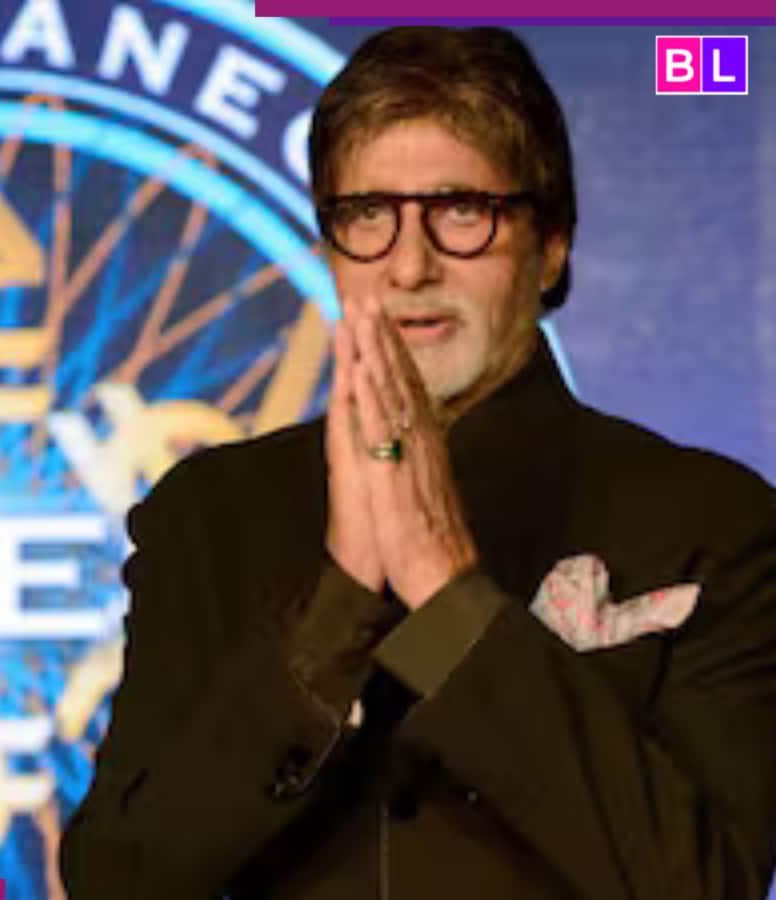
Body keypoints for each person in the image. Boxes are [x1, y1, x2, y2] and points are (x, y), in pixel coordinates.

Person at [58, 26, 776, 900]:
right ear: (329, 249)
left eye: (462, 211)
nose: (409, 265)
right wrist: (338, 610)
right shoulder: (207, 516)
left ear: (551, 245)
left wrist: (450, 599)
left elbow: (707, 887)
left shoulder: (711, 522)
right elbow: (118, 879)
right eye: (368, 215)